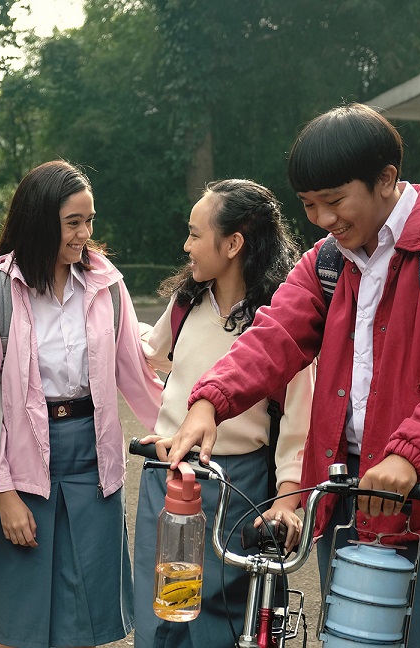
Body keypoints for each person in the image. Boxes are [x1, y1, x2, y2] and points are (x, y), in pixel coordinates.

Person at [166, 103, 420, 647]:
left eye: (334, 201)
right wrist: (210, 400)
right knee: (350, 636)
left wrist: (409, 454)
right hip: (347, 492)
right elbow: (274, 335)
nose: (323, 219)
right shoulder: (328, 261)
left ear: (386, 179)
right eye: (309, 204)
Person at [0, 160, 163, 648]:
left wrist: (181, 430)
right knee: (23, 618)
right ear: (39, 221)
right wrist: (3, 494)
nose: (85, 234)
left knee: (85, 615)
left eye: (89, 221)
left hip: (93, 460)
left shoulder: (106, 285)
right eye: (73, 222)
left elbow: (136, 374)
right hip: (21, 463)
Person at [133, 179, 314, 648]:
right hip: (166, 474)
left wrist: (287, 501)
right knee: (159, 611)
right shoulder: (186, 302)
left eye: (195, 234)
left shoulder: (280, 323)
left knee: (219, 618)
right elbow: (152, 353)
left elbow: (299, 425)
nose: (186, 245)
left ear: (233, 244)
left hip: (238, 485)